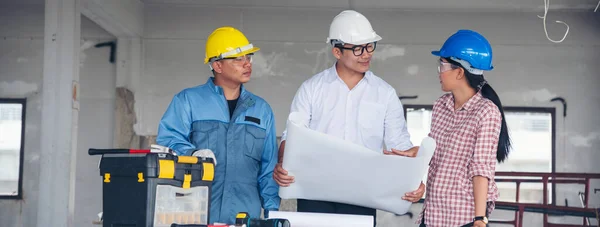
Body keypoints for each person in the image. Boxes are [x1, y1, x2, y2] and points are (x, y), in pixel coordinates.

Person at [273, 10, 425, 226]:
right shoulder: (312, 89)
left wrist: (413, 181)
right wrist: (282, 163)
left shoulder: (384, 93)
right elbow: (292, 136)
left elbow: (399, 144)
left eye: (370, 46)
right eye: (358, 49)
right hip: (315, 193)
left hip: (361, 195)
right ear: (337, 51)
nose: (366, 54)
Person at [156, 26, 280, 224]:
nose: (247, 64)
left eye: (248, 58)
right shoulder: (188, 100)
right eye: (238, 59)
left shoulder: (261, 109)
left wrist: (272, 211)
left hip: (244, 215)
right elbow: (169, 139)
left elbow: (268, 167)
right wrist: (192, 154)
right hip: (195, 213)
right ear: (217, 66)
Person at [417, 29, 511, 227]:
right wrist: (415, 153)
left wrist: (479, 219)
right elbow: (436, 154)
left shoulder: (486, 111)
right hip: (433, 213)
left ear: (459, 71)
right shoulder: (440, 106)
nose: (439, 72)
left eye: (441, 65)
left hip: (463, 217)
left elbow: (481, 168)